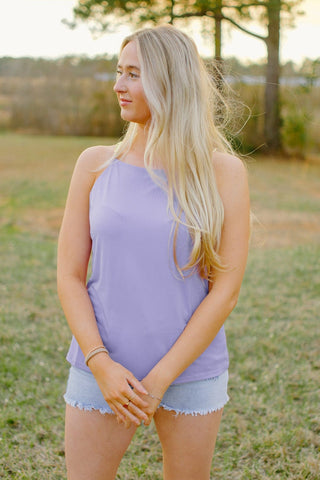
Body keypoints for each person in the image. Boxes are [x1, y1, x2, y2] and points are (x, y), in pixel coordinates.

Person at [57, 24, 250, 480]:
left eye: (133, 74)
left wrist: (161, 379)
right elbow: (69, 276)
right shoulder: (94, 165)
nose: (118, 86)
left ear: (169, 82)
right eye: (118, 72)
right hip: (101, 366)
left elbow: (225, 291)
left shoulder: (223, 173)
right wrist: (100, 362)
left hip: (190, 372)